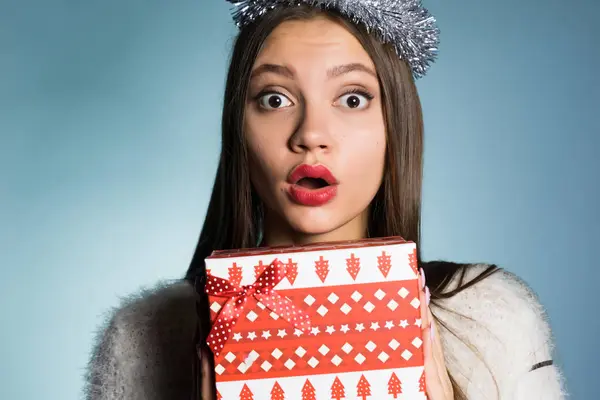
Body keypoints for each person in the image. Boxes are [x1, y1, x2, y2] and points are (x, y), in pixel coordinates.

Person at [83, 1, 566, 399]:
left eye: (352, 98)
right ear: (238, 127)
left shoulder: (487, 317)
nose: (311, 134)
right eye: (275, 99)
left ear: (394, 126)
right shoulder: (143, 336)